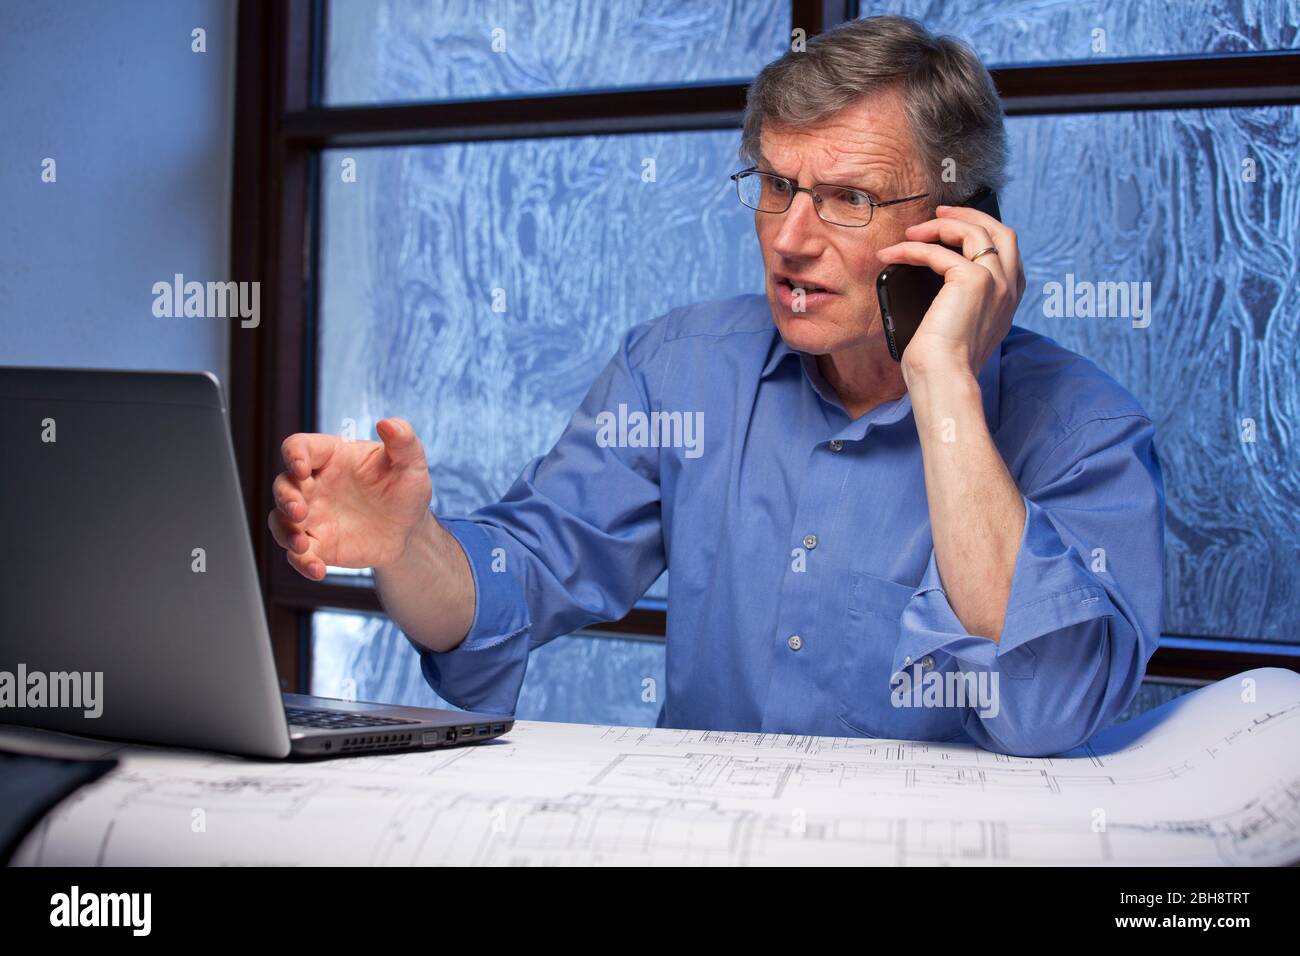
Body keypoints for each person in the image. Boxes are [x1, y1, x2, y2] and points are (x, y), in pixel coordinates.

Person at [268, 16, 1164, 756]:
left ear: (959, 226)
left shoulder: (1085, 431)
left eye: (847, 198)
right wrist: (405, 544)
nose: (790, 238)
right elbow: (521, 579)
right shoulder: (681, 369)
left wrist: (944, 385)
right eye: (777, 184)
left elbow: (1051, 709)